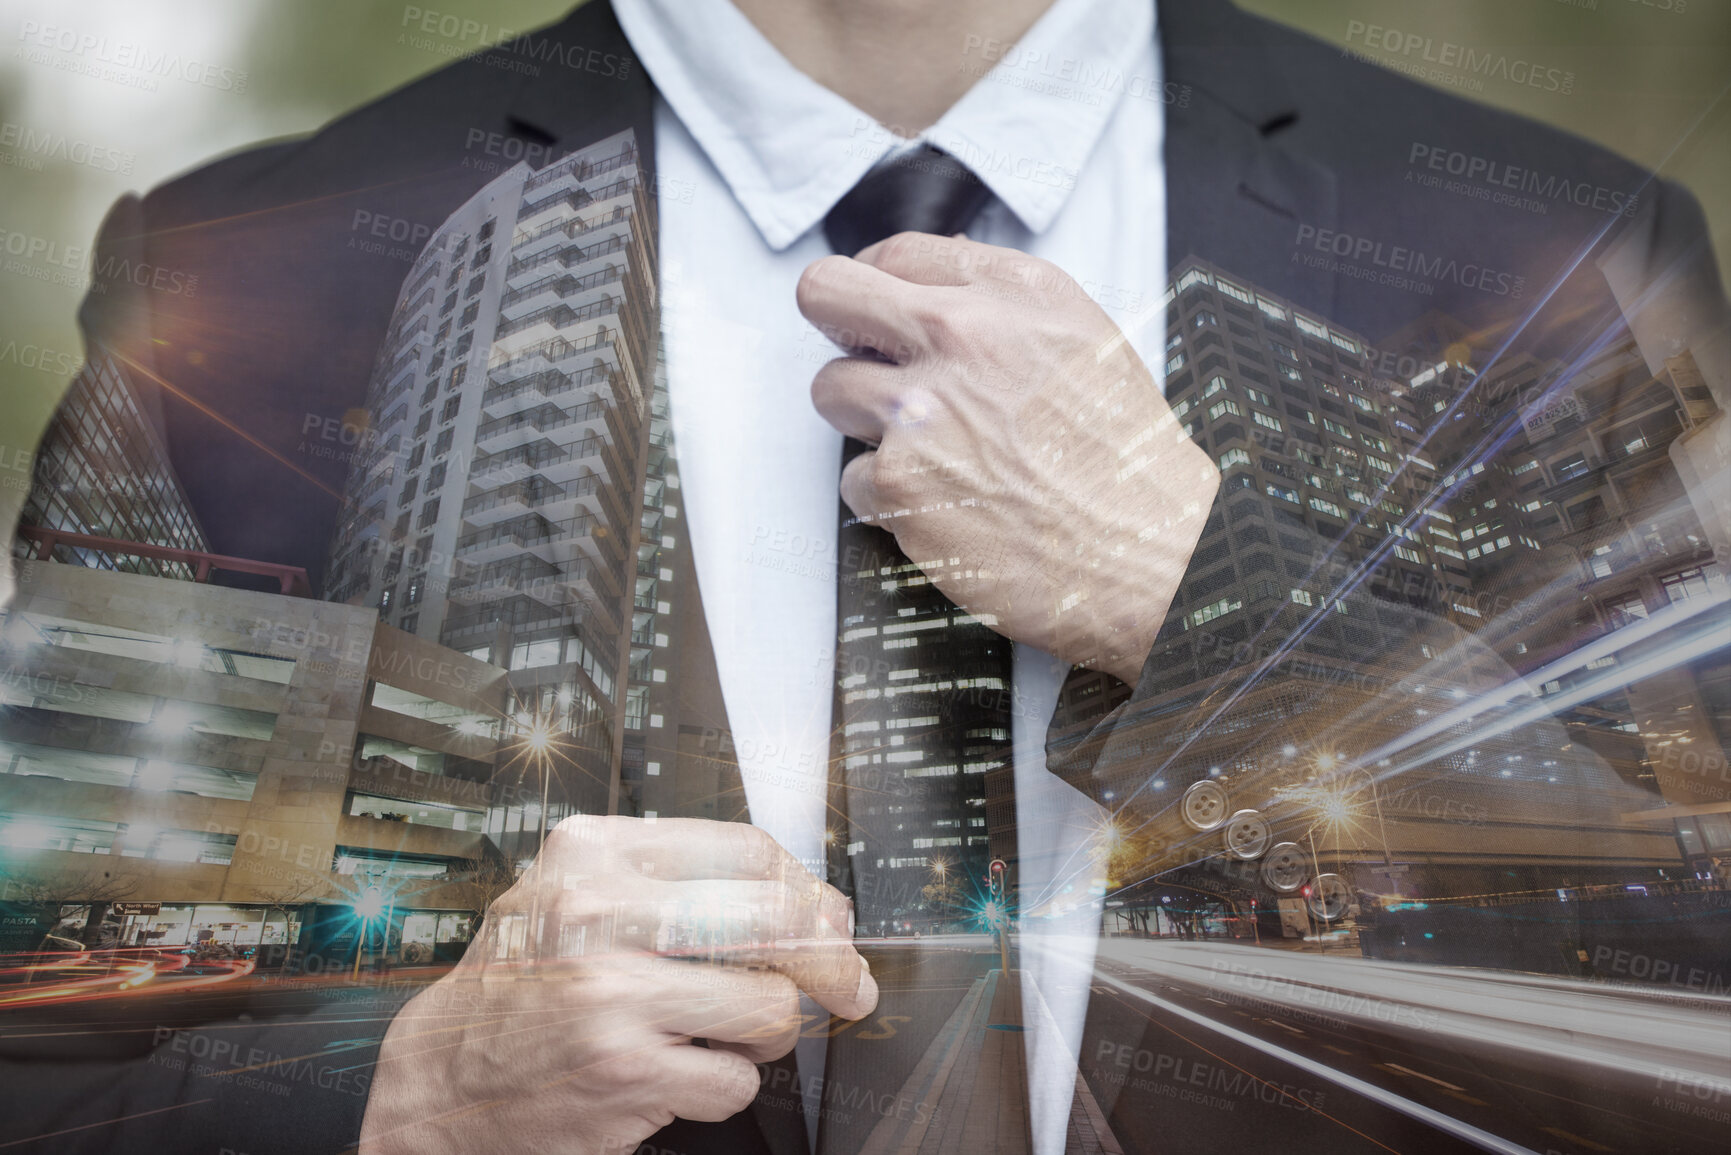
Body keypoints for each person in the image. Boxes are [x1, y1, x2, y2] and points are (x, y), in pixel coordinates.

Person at [3, 1, 1725, 1153]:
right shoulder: (255, 274)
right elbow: (49, 1060)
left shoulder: (1549, 257)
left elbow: (1693, 994)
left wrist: (1204, 591)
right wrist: (406, 1094)